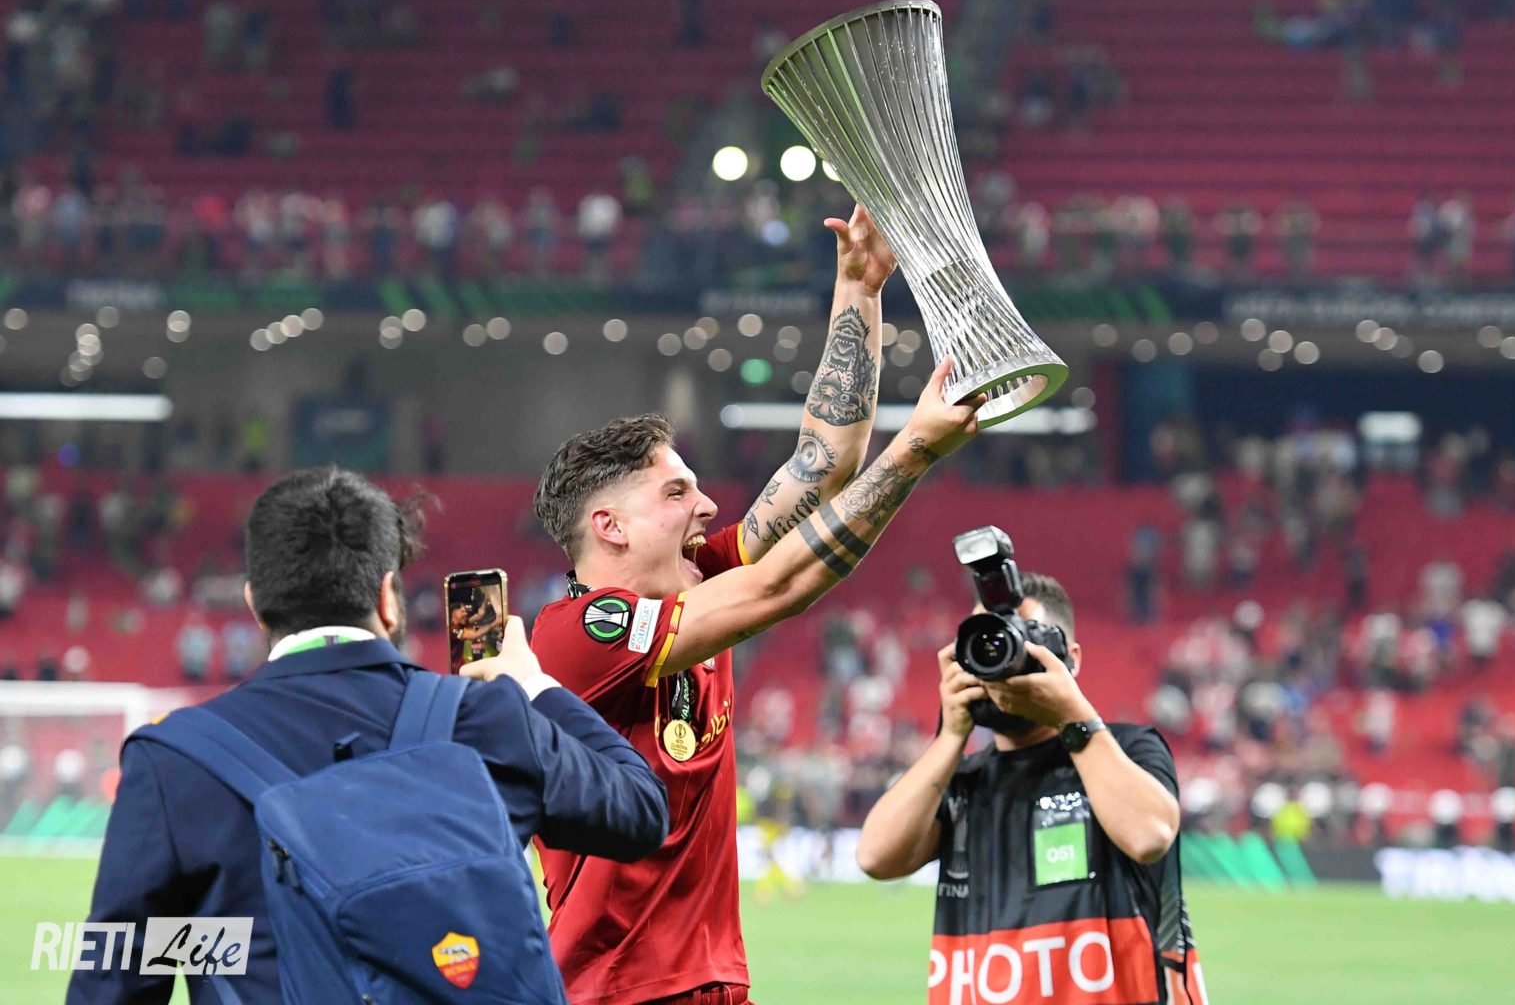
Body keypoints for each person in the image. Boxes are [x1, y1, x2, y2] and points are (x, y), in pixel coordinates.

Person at [528, 204, 986, 1005]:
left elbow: (822, 463)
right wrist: (915, 450)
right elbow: (781, 586)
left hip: (712, 983)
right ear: (609, 527)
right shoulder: (577, 634)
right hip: (617, 990)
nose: (707, 508)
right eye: (677, 493)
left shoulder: (697, 579)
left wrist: (859, 289)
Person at [68, 467, 668, 1005]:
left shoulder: (174, 760)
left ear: (256, 605)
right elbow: (640, 810)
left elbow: (116, 979)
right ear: (388, 597)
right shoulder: (486, 719)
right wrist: (532, 684)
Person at [856, 573, 1207, 1005]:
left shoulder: (1127, 749)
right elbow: (875, 857)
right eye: (987, 641)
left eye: (1021, 640)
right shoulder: (963, 781)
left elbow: (1149, 835)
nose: (1002, 660)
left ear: (1070, 659)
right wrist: (951, 734)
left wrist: (1071, 714)